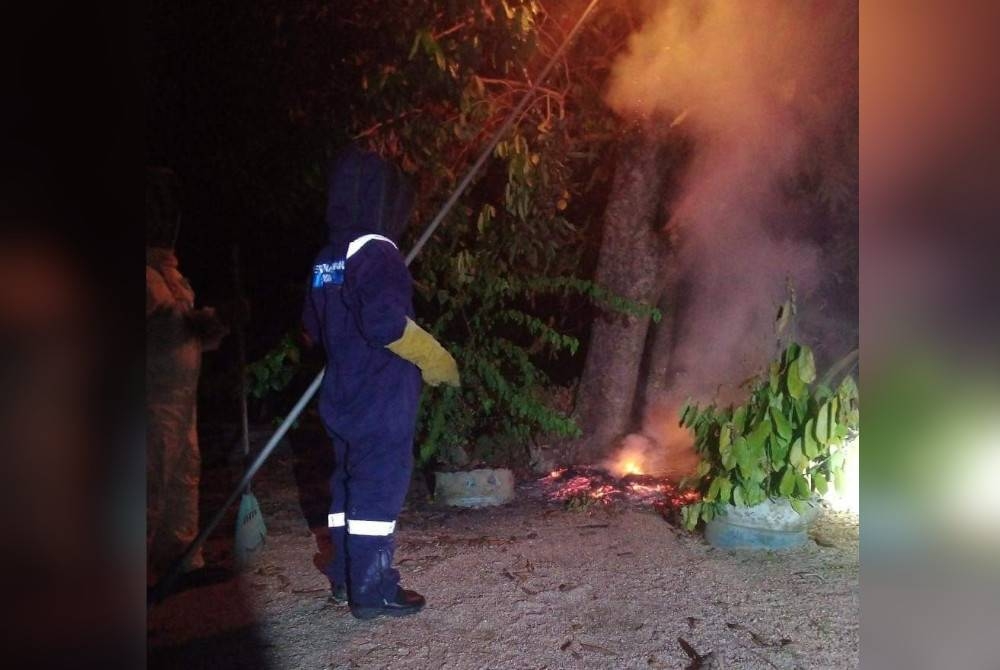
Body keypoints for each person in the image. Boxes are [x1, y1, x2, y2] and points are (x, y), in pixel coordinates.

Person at [302, 145, 460, 620]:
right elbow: (385, 323)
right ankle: (373, 592)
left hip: (341, 396)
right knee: (378, 488)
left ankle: (344, 579)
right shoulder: (379, 250)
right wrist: (434, 358)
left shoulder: (327, 257)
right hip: (380, 397)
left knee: (346, 486)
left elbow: (311, 327)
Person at [146, 167, 228, 584]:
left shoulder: (171, 276)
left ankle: (181, 562)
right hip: (149, 403)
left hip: (180, 403)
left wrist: (212, 325)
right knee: (146, 487)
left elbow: (189, 339)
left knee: (182, 479)